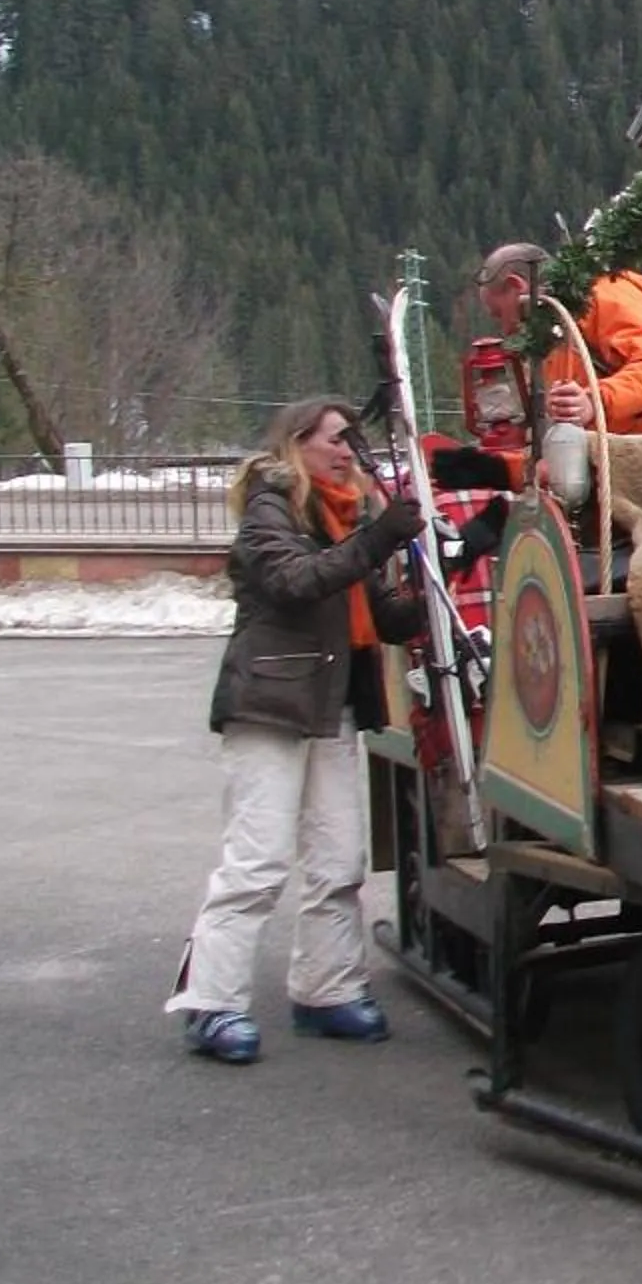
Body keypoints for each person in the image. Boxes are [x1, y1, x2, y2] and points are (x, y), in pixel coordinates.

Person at [168, 396, 427, 1064]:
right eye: (337, 440)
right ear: (297, 442)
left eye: (353, 443)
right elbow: (294, 581)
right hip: (272, 705)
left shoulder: (344, 515)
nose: (349, 453)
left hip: (333, 704)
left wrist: (437, 583)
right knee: (256, 861)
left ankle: (326, 988)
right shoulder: (270, 509)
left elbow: (376, 616)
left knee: (338, 859)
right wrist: (377, 539)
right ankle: (211, 1001)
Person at [475, 242, 642, 437]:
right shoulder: (552, 333)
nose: (504, 329)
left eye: (499, 314)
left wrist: (593, 401)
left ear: (516, 287)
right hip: (635, 451)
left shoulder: (605, 293)